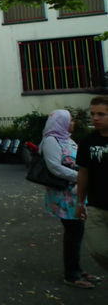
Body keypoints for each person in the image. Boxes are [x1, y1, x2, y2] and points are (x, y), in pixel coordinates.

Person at [40, 109, 96, 288]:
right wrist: (80, 176)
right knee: (74, 233)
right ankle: (71, 274)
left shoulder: (66, 138)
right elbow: (55, 167)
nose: (72, 123)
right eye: (69, 120)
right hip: (64, 195)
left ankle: (76, 269)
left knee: (76, 232)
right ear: (60, 122)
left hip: (74, 193)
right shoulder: (51, 140)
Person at [75, 96, 108, 275]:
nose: (95, 118)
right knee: (97, 249)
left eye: (101, 114)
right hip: (96, 205)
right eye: (93, 114)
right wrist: (80, 202)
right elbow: (83, 173)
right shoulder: (88, 141)